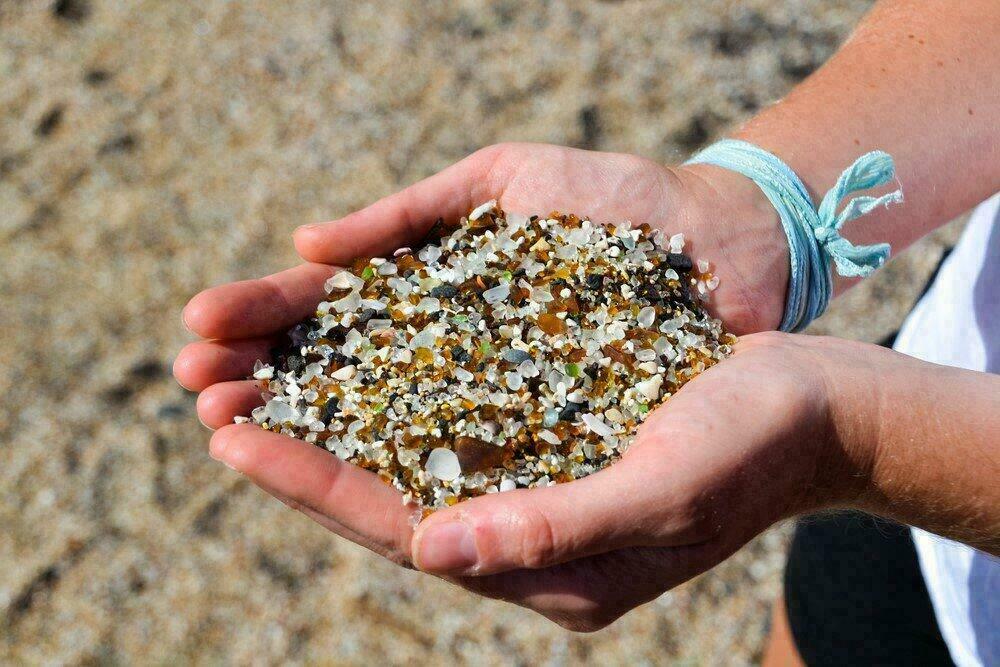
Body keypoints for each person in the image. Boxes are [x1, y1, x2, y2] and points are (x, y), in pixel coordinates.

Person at [172, 0, 999, 662]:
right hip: (938, 451)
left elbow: (857, 427)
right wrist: (763, 207)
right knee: (842, 617)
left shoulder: (854, 424)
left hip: (930, 448)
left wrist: (860, 438)